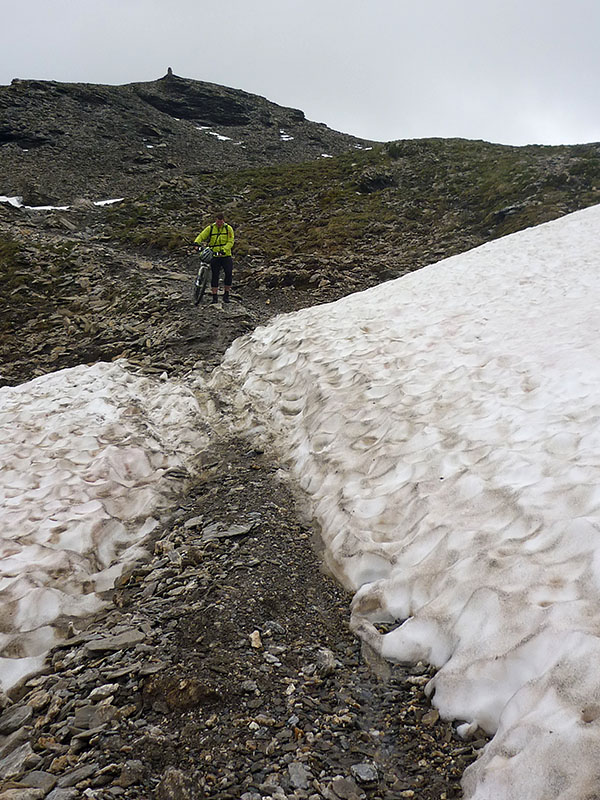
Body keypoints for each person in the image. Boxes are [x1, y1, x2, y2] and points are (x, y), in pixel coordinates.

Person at [194, 212, 235, 304]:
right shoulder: (211, 228)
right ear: (215, 221)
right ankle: (214, 297)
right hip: (214, 255)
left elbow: (231, 241)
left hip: (226, 255)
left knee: (228, 274)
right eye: (217, 222)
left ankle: (226, 294)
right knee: (215, 275)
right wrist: (196, 242)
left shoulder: (228, 229)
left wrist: (224, 250)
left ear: (223, 221)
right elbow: (202, 235)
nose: (219, 224)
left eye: (220, 222)